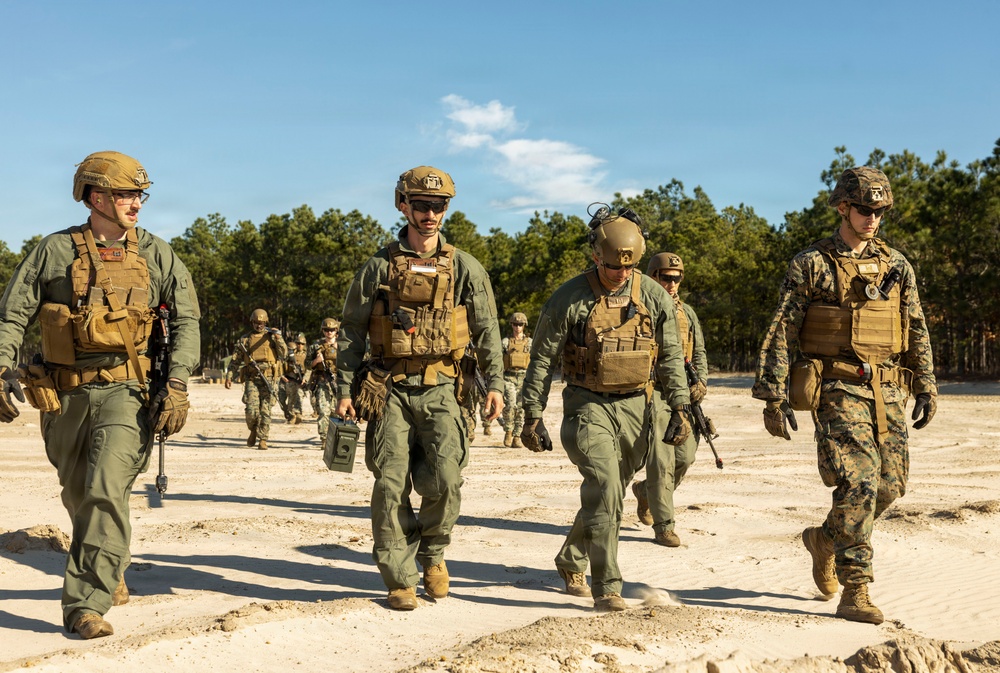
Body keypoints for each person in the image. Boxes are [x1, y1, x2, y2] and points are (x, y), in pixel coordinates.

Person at [0, 151, 200, 638]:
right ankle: (110, 560)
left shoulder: (157, 254)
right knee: (78, 493)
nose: (137, 203)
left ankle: (85, 604)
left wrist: (176, 382)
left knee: (106, 489)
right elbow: (12, 313)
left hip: (128, 391)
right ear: (95, 197)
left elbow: (187, 320)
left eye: (139, 195)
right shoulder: (54, 251)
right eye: (126, 194)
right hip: (63, 395)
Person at [752, 166, 937, 625]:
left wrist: (926, 384)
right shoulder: (811, 263)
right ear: (842, 207)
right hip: (836, 386)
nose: (873, 218)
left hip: (887, 387)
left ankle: (824, 540)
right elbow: (783, 329)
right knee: (859, 483)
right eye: (864, 209)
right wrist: (773, 395)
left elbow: (915, 326)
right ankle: (856, 590)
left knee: (890, 486)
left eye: (880, 211)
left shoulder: (897, 265)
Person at [336, 166, 504, 610]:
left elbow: (487, 328)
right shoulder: (378, 267)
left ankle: (432, 554)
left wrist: (495, 384)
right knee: (389, 484)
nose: (431, 214)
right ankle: (400, 577)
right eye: (422, 205)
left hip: (443, 388)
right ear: (402, 205)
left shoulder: (465, 267)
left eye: (439, 206)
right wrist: (345, 390)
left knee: (446, 479)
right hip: (388, 388)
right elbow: (351, 330)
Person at [519, 205, 691, 612]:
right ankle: (607, 587)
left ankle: (570, 559)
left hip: (637, 408)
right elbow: (541, 359)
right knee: (606, 487)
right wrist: (532, 414)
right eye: (613, 266)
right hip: (587, 404)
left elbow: (670, 356)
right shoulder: (569, 298)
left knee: (608, 493)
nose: (620, 273)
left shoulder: (653, 296)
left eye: (628, 267)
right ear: (596, 256)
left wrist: (680, 407)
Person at [631, 252, 707, 547]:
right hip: (655, 392)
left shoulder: (687, 313)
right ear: (653, 276)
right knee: (661, 459)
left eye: (677, 278)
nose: (672, 283)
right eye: (666, 277)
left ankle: (646, 493)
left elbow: (698, 351)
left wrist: (701, 382)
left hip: (683, 393)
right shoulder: (640, 309)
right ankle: (664, 526)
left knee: (685, 456)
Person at [225, 309, 287, 450]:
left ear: (266, 322)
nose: (259, 325)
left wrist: (279, 338)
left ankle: (263, 438)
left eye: (262, 323)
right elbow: (235, 360)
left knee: (266, 410)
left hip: (269, 378)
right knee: (251, 410)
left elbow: (283, 354)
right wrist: (229, 376)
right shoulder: (245, 340)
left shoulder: (272, 337)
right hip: (252, 378)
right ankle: (253, 429)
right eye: (256, 323)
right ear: (252, 322)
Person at [501, 312, 532, 447]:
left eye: (520, 324)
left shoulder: (530, 343)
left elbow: (536, 360)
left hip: (524, 377)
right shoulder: (505, 342)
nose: (517, 327)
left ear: (524, 325)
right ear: (511, 325)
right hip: (509, 377)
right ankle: (508, 431)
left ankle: (517, 435)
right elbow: (497, 359)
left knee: (521, 407)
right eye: (515, 324)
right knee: (510, 405)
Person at [308, 318, 339, 445]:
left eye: (331, 330)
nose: (329, 332)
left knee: (337, 412)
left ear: (336, 330)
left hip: (338, 382)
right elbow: (307, 365)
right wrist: (316, 361)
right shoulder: (316, 346)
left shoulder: (343, 345)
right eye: (326, 330)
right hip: (322, 381)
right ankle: (324, 438)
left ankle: (336, 438)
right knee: (323, 411)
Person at [282, 333, 308, 424]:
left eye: (302, 344)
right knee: (291, 398)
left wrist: (305, 378)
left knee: (299, 396)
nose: (300, 345)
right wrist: (283, 375)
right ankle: (291, 415)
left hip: (301, 380)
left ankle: (298, 414)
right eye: (298, 343)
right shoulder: (290, 354)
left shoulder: (306, 355)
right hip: (291, 379)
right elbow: (282, 364)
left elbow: (309, 368)